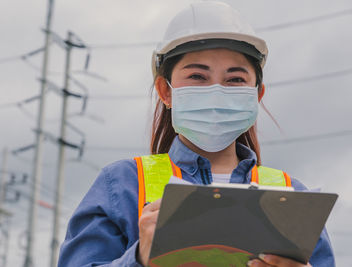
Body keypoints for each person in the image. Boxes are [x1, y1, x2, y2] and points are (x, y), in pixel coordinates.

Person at [58, 2, 335, 267]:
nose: (216, 91)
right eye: (197, 77)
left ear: (256, 95)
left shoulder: (292, 196)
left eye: (235, 79)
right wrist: (140, 259)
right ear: (166, 91)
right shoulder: (123, 185)